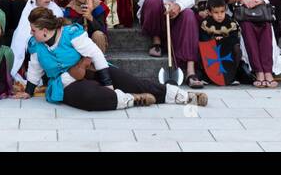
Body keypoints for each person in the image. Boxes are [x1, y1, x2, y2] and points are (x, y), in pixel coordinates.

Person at [23, 7, 207, 110]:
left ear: (45, 30)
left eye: (33, 29)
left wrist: (108, 82)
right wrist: (28, 91)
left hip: (91, 69)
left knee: (133, 82)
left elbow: (95, 54)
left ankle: (182, 96)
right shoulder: (35, 44)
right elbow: (35, 68)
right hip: (64, 83)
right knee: (90, 97)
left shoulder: (71, 34)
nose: (31, 32)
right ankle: (131, 100)